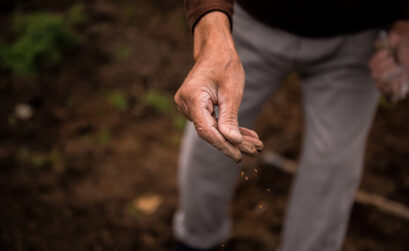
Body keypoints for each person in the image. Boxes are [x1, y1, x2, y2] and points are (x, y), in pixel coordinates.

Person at [173, 1, 409, 250]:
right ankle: (196, 241)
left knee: (333, 163)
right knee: (213, 133)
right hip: (250, 24)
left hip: (356, 41)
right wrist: (213, 34)